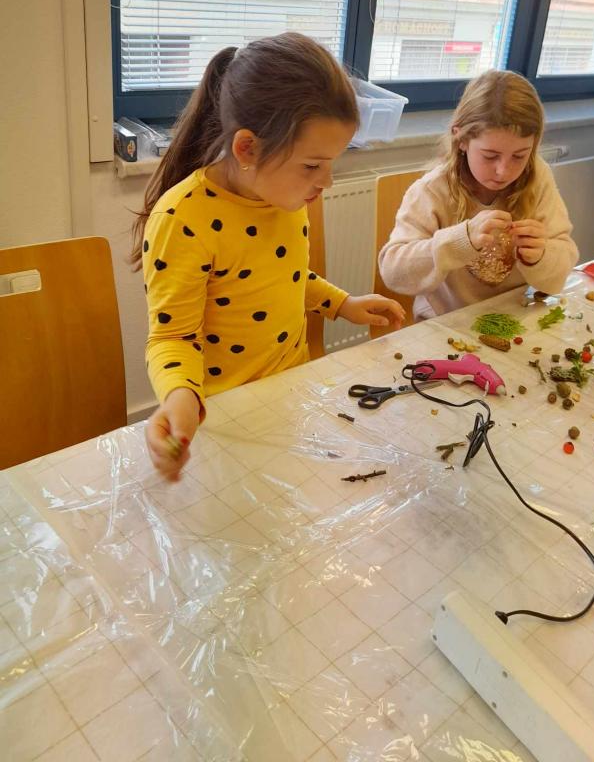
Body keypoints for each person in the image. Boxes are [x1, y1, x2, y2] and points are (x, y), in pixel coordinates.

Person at [132, 33, 404, 480]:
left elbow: (286, 275)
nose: (327, 182)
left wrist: (342, 304)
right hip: (223, 415)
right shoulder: (182, 219)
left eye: (332, 163)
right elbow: (172, 337)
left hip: (290, 392)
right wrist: (180, 396)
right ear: (248, 149)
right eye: (312, 165)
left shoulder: (284, 196)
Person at [378, 70, 577, 319]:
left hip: (515, 317)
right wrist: (458, 242)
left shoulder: (537, 178)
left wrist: (541, 256)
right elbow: (393, 272)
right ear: (460, 138)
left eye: (519, 156)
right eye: (490, 156)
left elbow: (562, 265)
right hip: (447, 322)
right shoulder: (432, 190)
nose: (503, 171)